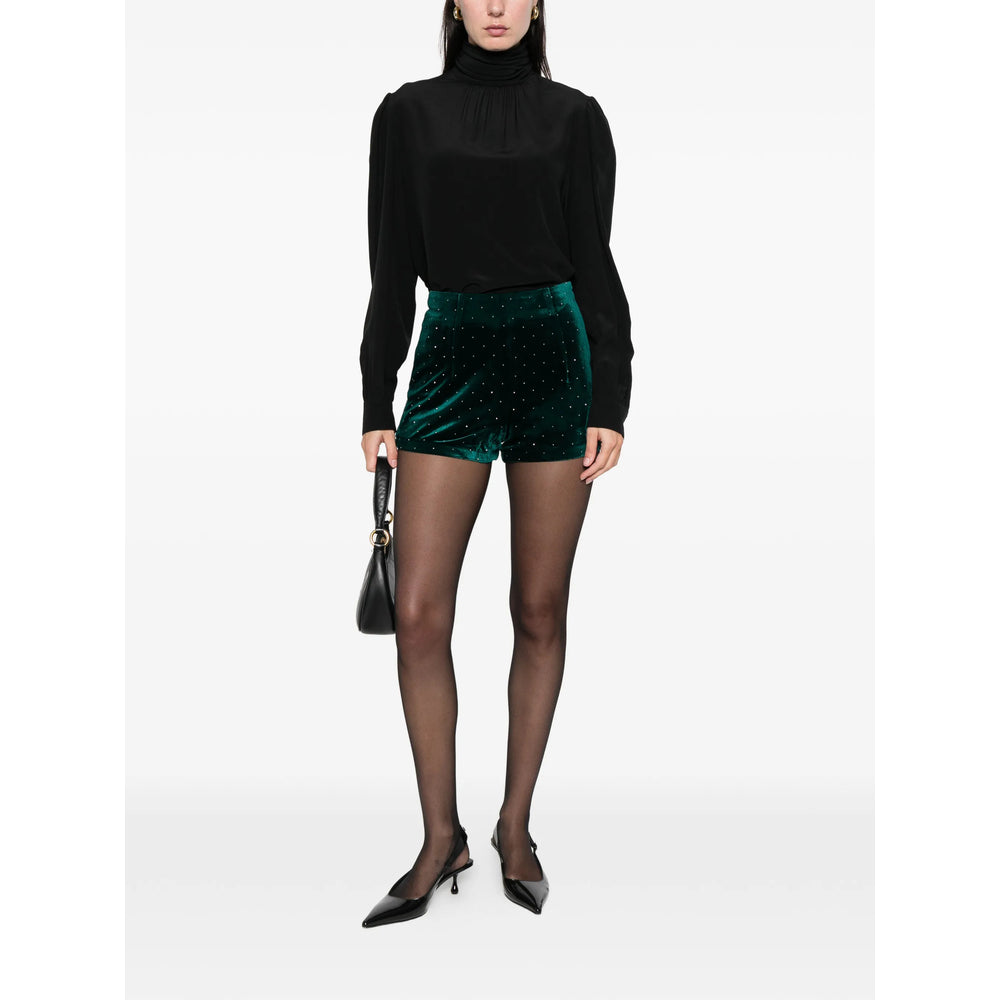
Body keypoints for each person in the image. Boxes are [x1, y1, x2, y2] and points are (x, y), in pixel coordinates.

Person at [358, 0, 633, 927]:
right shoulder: (407, 114)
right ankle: (442, 838)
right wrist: (376, 397)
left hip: (557, 355)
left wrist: (611, 397)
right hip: (451, 356)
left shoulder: (576, 117)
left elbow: (595, 259)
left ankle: (515, 827)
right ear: (453, 3)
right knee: (419, 613)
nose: (499, 6)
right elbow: (391, 264)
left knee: (538, 607)